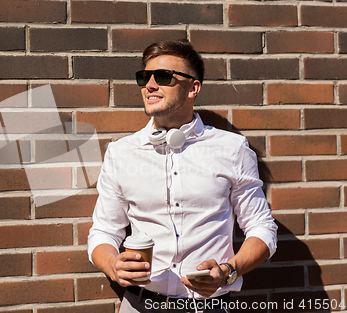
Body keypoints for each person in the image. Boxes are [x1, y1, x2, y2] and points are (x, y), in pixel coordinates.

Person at [87, 39, 277, 313]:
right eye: (144, 77)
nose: (150, 85)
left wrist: (228, 271)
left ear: (193, 87)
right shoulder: (121, 153)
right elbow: (103, 231)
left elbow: (263, 228)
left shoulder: (232, 149)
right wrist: (113, 267)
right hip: (141, 305)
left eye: (163, 77)